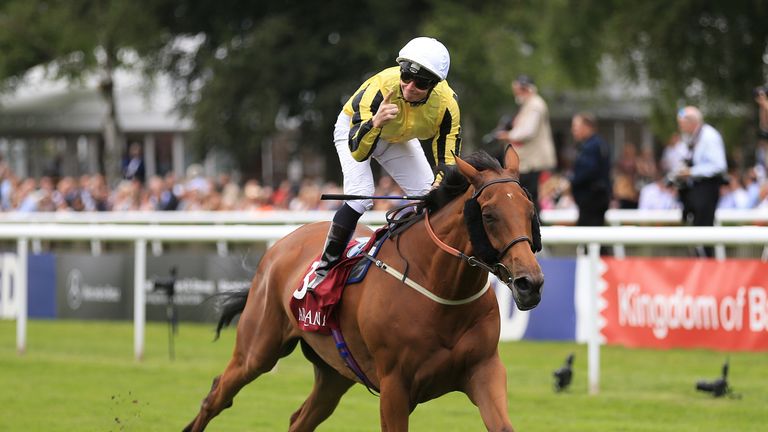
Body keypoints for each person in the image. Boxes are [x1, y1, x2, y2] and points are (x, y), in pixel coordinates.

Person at [307, 37, 461, 290]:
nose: (409, 87)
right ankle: (325, 267)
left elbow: (448, 161)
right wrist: (375, 123)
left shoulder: (448, 106)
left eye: (421, 83)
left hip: (399, 138)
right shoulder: (379, 87)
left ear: (435, 85)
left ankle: (413, 261)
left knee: (430, 199)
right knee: (360, 196)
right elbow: (358, 152)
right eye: (406, 76)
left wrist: (438, 185)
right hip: (357, 132)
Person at [669, 106, 727, 257]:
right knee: (697, 231)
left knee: (704, 231)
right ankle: (700, 262)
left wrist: (691, 172)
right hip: (697, 190)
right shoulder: (693, 137)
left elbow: (719, 165)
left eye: (681, 123)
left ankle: (707, 264)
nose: (680, 127)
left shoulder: (709, 136)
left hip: (707, 188)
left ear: (691, 121)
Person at [495, 74, 557, 212]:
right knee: (528, 198)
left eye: (517, 90)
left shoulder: (535, 105)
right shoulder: (530, 104)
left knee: (530, 199)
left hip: (532, 162)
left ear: (525, 89)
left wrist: (508, 135)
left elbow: (528, 131)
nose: (516, 94)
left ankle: (534, 225)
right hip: (529, 162)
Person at [568, 112, 612, 227]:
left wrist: (570, 181)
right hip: (596, 199)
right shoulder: (599, 144)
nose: (573, 131)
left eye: (576, 127)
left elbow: (587, 171)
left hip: (591, 200)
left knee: (588, 232)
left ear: (587, 127)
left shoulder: (591, 147)